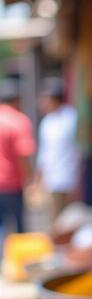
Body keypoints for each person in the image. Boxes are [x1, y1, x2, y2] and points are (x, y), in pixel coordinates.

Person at [36, 77, 81, 221]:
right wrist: (39, 175)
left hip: (70, 177)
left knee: (69, 219)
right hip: (52, 178)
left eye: (45, 98)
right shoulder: (47, 122)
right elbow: (44, 151)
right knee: (54, 219)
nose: (43, 103)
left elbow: (79, 148)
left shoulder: (71, 118)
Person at [0, 78, 35, 242]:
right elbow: (23, 155)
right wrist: (30, 180)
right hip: (12, 186)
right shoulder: (19, 121)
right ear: (17, 100)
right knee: (19, 231)